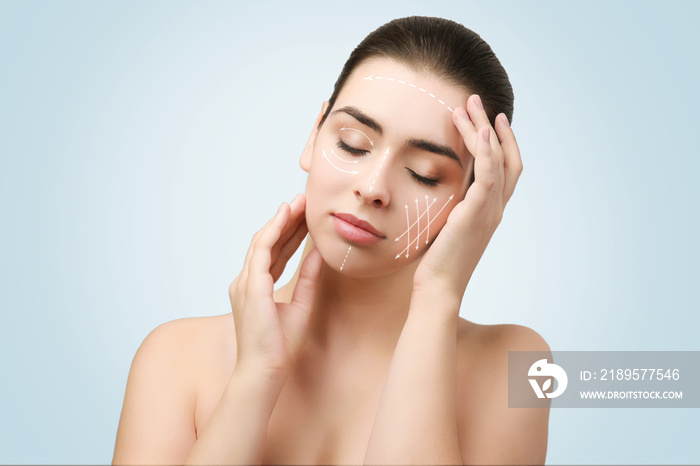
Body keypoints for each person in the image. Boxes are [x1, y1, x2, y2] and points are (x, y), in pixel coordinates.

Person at [112, 15, 550, 465]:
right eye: (353, 144)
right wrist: (255, 377)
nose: (373, 186)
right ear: (314, 133)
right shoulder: (173, 357)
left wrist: (439, 293)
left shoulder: (519, 366)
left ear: (476, 200)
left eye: (425, 173)